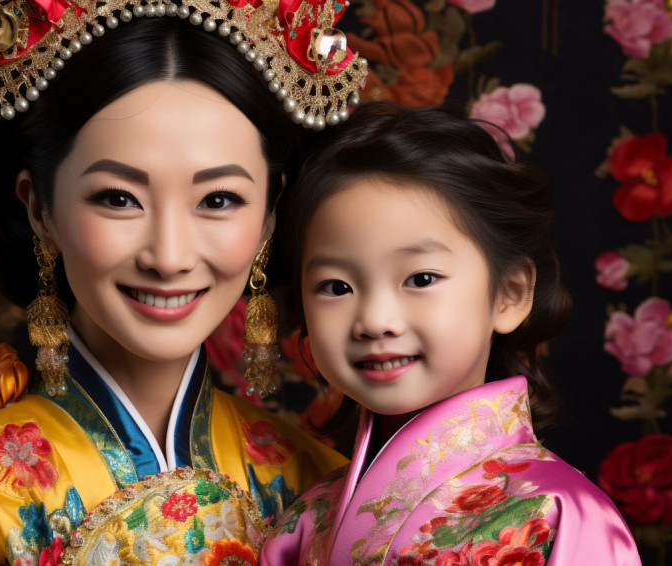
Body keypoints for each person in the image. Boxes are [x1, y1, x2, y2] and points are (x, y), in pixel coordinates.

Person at [0, 0, 368, 563]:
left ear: (270, 216)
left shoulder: (319, 489)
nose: (169, 256)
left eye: (218, 199)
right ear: (40, 209)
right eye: (118, 199)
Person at [260, 104, 642, 565]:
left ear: (510, 293)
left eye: (420, 279)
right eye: (337, 287)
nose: (376, 321)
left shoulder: (558, 513)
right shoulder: (305, 519)